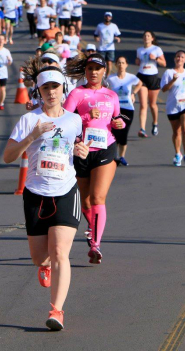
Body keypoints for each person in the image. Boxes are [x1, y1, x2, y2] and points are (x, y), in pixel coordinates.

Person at [3, 67, 90, 331]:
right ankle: (45, 266)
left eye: (55, 87)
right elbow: (8, 156)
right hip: (35, 194)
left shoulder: (74, 120)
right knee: (40, 257)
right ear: (39, 92)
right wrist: (33, 135)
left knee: (61, 253)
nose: (51, 92)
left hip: (65, 191)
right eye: (45, 88)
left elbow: (76, 147)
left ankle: (57, 311)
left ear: (63, 89)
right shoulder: (30, 120)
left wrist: (80, 150)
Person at [63, 54, 125, 264]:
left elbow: (117, 119)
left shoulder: (111, 96)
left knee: (98, 197)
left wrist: (119, 124)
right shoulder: (77, 94)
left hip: (105, 149)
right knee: (86, 200)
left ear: (103, 71)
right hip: (81, 150)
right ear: (85, 71)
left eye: (97, 69)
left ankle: (95, 245)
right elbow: (63, 120)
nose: (94, 72)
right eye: (90, 68)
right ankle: (92, 228)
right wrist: (86, 117)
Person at [160, 50, 185, 167]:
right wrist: (173, 80)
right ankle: (177, 154)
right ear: (174, 59)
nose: (180, 59)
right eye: (178, 57)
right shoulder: (168, 72)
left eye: (182, 57)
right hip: (173, 105)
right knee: (176, 132)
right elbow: (164, 89)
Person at [107, 56, 142, 166]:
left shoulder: (131, 77)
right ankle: (114, 156)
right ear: (116, 65)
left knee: (124, 133)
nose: (121, 65)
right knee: (115, 133)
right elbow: (104, 88)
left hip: (128, 108)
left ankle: (122, 157)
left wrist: (133, 93)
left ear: (126, 65)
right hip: (115, 109)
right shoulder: (111, 78)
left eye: (123, 63)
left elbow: (139, 83)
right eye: (119, 63)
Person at [135, 30, 166, 137]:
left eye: (148, 36)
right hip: (141, 76)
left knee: (152, 104)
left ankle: (155, 123)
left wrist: (156, 58)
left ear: (152, 38)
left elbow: (164, 63)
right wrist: (137, 61)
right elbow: (138, 61)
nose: (146, 37)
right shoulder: (139, 50)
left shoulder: (156, 49)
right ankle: (142, 129)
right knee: (143, 105)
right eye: (145, 36)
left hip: (152, 77)